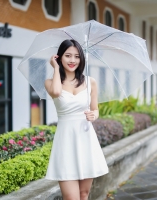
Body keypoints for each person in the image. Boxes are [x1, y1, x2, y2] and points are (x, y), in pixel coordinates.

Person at [44, 39, 109, 200]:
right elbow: (57, 92)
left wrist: (94, 115)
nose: (73, 60)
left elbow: (95, 109)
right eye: (68, 56)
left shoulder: (90, 82)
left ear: (81, 59)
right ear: (59, 57)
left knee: (83, 194)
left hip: (86, 139)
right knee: (71, 197)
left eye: (77, 56)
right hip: (65, 141)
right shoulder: (50, 82)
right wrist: (56, 68)